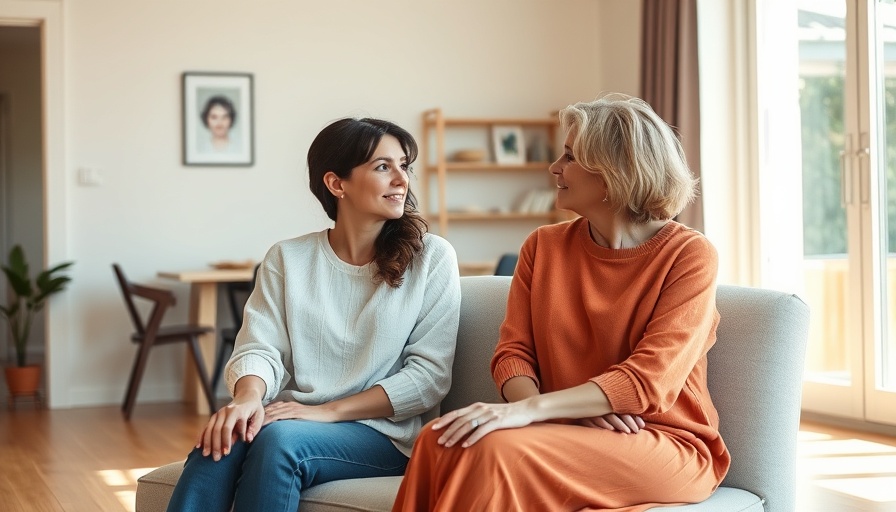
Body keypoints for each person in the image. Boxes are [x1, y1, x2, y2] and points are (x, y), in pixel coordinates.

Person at [391, 93, 731, 511]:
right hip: (564, 425)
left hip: (661, 440)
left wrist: (534, 411)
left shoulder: (689, 255)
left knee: (494, 451)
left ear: (612, 172)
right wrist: (548, 412)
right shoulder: (544, 246)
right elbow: (513, 356)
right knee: (438, 437)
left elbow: (647, 382)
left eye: (569, 157)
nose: (555, 168)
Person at [167, 117, 462, 512]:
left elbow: (428, 378)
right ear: (336, 184)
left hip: (384, 435)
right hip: (298, 421)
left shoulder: (432, 257)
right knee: (225, 434)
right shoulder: (288, 258)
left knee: (279, 440)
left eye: (403, 166)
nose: (401, 179)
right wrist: (247, 399)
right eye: (382, 166)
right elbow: (260, 346)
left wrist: (322, 413)